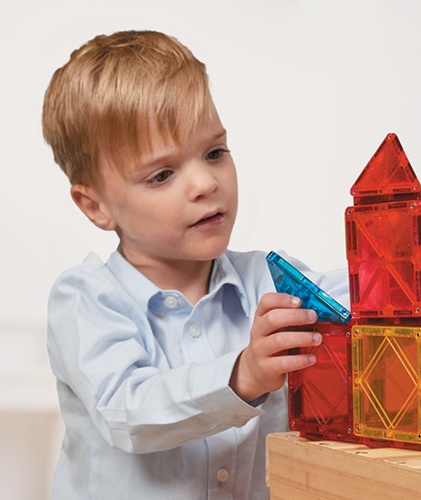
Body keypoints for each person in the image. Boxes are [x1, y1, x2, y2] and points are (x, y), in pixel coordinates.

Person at [42, 30, 348, 499]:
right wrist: (242, 376)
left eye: (215, 153)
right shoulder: (85, 299)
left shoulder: (272, 279)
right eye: (162, 174)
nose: (206, 182)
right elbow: (127, 411)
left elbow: (369, 292)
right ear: (96, 206)